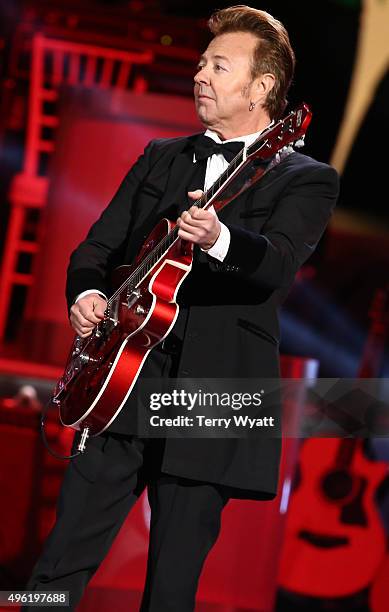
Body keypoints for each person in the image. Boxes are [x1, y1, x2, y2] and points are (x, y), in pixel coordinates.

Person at [23, 5, 339, 611]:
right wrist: (85, 293)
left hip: (213, 394)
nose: (201, 75)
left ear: (262, 88)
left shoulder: (307, 179)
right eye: (201, 64)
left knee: (172, 587)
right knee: (55, 569)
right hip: (121, 378)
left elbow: (275, 264)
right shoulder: (161, 157)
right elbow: (98, 246)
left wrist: (217, 237)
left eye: (219, 66)